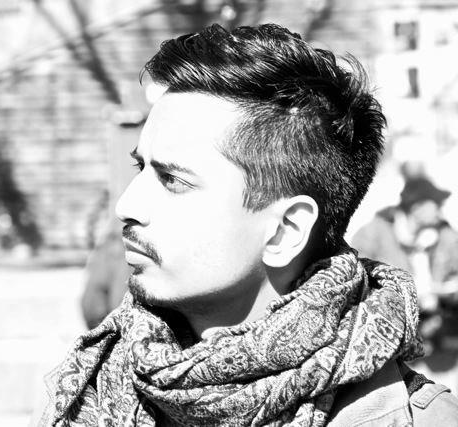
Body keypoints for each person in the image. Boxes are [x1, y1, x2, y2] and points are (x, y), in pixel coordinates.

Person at [40, 23, 458, 426]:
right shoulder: (84, 390)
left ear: (286, 230)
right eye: (140, 167)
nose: (126, 205)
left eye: (173, 180)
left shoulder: (416, 419)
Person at [353, 176, 458, 349]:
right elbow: (356, 283)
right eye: (436, 204)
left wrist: (445, 293)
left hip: (438, 340)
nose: (440, 210)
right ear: (417, 208)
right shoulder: (373, 235)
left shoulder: (446, 236)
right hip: (387, 340)